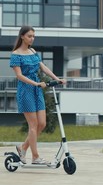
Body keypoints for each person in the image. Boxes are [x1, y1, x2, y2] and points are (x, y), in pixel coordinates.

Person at [9, 25, 66, 164]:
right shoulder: (16, 54)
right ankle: (35, 157)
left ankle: (23, 148)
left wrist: (56, 78)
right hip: (26, 90)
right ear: (22, 36)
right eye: (29, 36)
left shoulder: (33, 51)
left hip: (37, 89)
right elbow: (19, 76)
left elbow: (42, 67)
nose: (32, 38)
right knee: (33, 125)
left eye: (33, 36)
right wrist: (35, 84)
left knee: (42, 123)